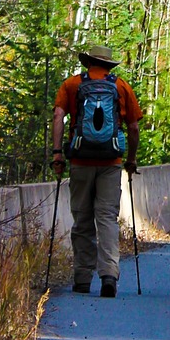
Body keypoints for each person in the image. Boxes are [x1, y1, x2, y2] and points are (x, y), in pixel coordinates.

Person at [52, 43, 143, 299]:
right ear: (108, 65)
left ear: (88, 62)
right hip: (110, 163)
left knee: (82, 219)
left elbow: (59, 116)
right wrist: (131, 160)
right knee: (106, 219)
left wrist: (58, 154)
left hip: (80, 162)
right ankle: (109, 276)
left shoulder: (72, 85)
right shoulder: (121, 86)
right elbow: (134, 128)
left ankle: (82, 278)